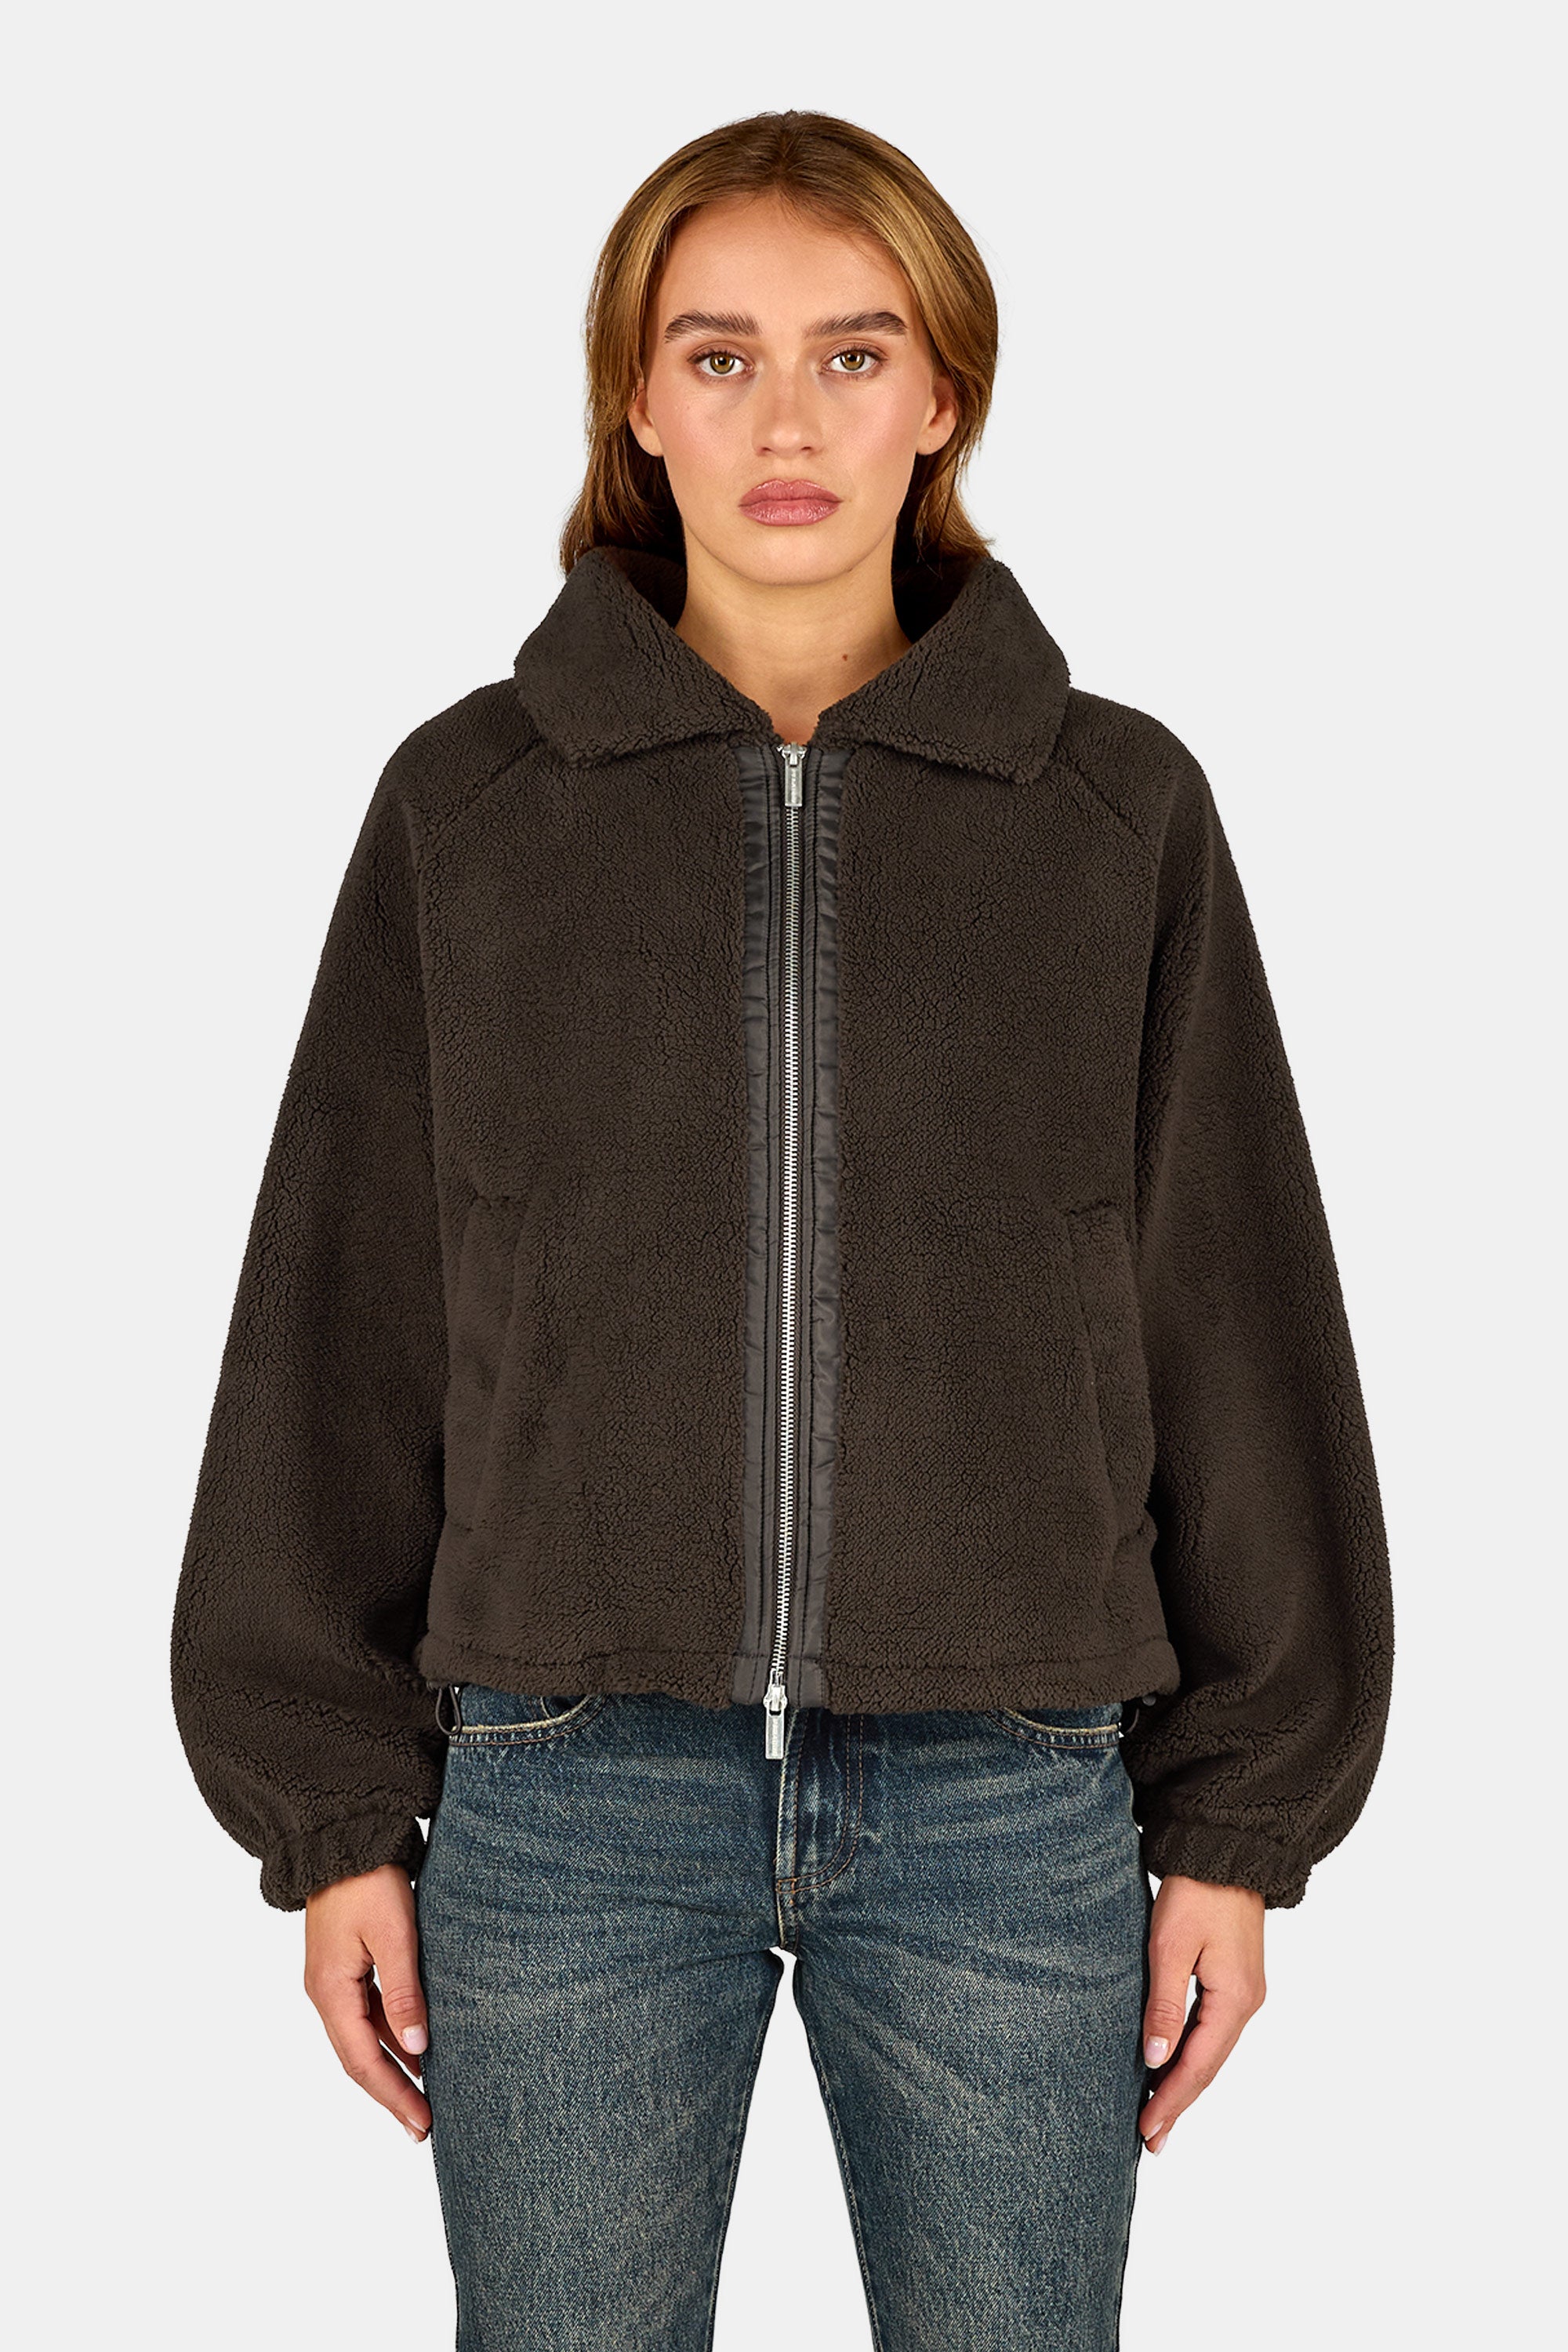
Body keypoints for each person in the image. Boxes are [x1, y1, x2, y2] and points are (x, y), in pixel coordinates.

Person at [171, 109, 1394, 2351]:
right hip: (563, 1786)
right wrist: (330, 1804)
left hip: (1013, 1780)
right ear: (636, 403)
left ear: (945, 395)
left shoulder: (1111, 810)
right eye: (719, 356)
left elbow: (1231, 1308)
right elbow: (344, 1311)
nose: (789, 420)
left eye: (856, 352)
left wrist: (1240, 1820)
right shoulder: (475, 805)